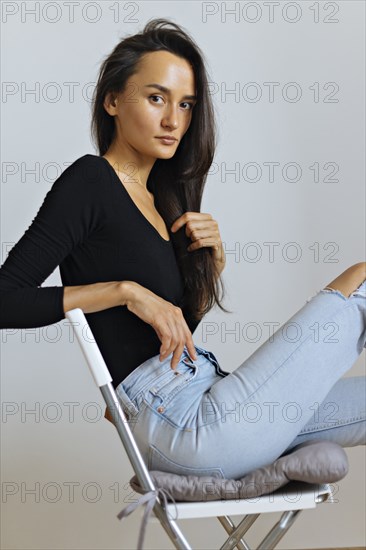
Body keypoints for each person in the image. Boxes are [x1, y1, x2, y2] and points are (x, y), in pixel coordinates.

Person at [0, 18, 365, 480]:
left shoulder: (164, 203)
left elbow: (174, 337)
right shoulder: (90, 181)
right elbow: (4, 298)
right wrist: (125, 291)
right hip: (183, 423)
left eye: (186, 105)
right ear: (112, 100)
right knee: (361, 279)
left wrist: (211, 269)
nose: (174, 119)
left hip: (207, 398)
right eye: (157, 98)